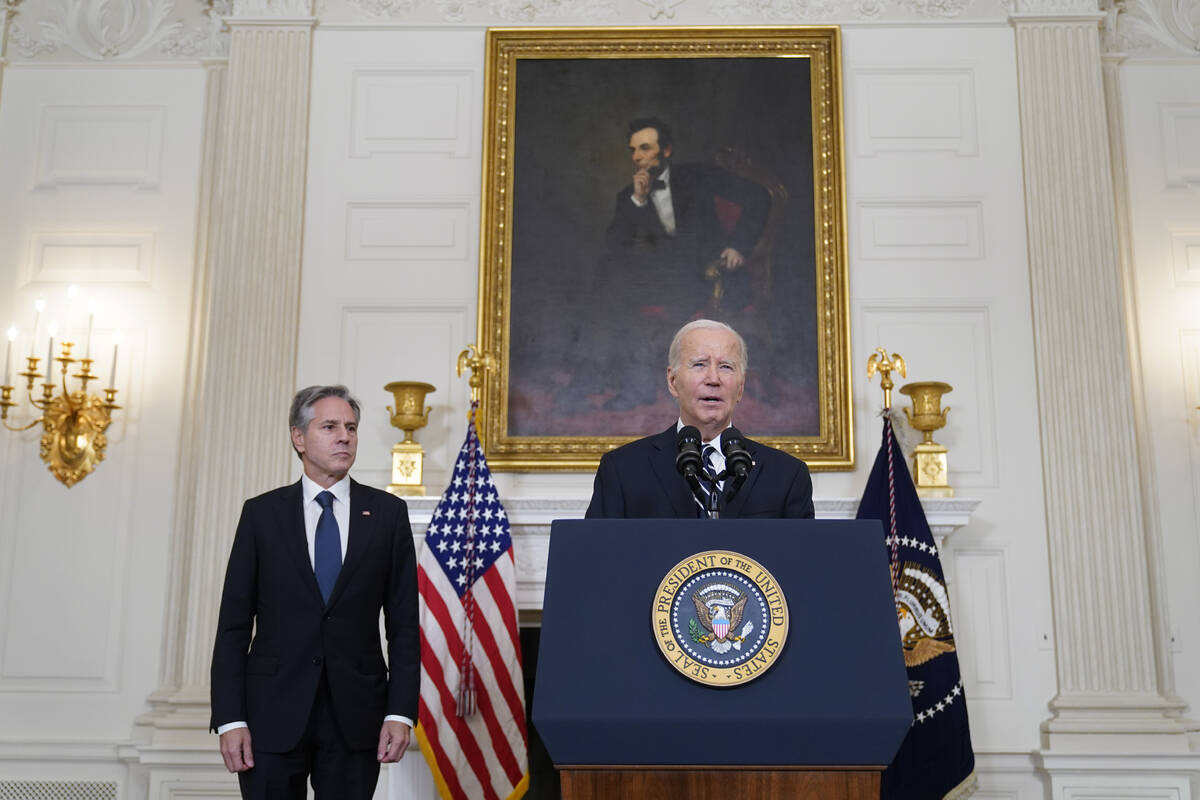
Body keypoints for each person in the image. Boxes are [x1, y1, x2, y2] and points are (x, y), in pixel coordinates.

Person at [210, 385, 419, 799]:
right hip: (270, 713)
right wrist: (231, 719)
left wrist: (400, 712)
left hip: (357, 715)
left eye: (351, 427)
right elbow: (233, 624)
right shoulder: (261, 514)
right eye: (330, 426)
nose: (345, 436)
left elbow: (404, 626)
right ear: (299, 437)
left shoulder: (387, 514)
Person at [595, 118, 771, 410]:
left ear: (666, 151)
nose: (637, 156)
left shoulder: (699, 176)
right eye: (633, 150)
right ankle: (629, 385)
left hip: (710, 275)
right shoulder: (629, 195)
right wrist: (637, 201)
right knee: (612, 284)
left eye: (645, 148)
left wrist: (738, 245)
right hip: (662, 280)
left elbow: (758, 197)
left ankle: (688, 388)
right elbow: (615, 249)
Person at [586, 319, 814, 519]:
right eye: (699, 364)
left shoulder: (787, 475)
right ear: (673, 381)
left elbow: (799, 563)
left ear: (741, 387)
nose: (713, 379)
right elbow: (599, 559)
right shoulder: (623, 470)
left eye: (726, 367)